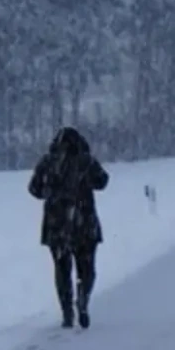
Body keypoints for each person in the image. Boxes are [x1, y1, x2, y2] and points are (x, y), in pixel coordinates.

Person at [28, 126, 109, 329]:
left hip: (57, 226)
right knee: (87, 268)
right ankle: (83, 299)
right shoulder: (85, 161)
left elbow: (33, 189)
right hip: (84, 223)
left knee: (62, 270)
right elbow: (102, 181)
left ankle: (66, 312)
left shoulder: (47, 162)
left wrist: (52, 193)